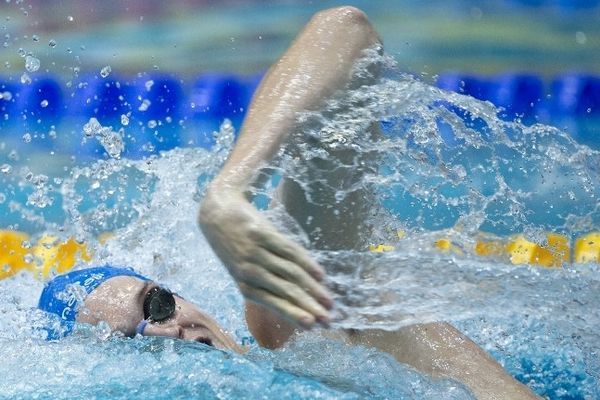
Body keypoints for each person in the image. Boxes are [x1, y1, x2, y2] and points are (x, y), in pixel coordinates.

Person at [37, 7, 539, 400]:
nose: (168, 331)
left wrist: (229, 191)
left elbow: (346, 32)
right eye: (132, 341)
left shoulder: (299, 327)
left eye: (158, 303)